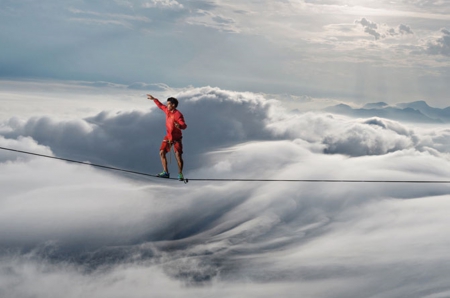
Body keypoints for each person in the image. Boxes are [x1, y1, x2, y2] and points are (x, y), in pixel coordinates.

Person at [147, 94, 187, 181]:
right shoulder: (167, 110)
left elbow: (184, 125)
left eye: (168, 104)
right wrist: (154, 99)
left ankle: (180, 174)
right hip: (169, 137)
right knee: (162, 152)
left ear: (173, 105)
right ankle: (165, 172)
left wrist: (179, 126)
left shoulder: (178, 114)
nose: (167, 105)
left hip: (177, 138)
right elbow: (161, 106)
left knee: (178, 155)